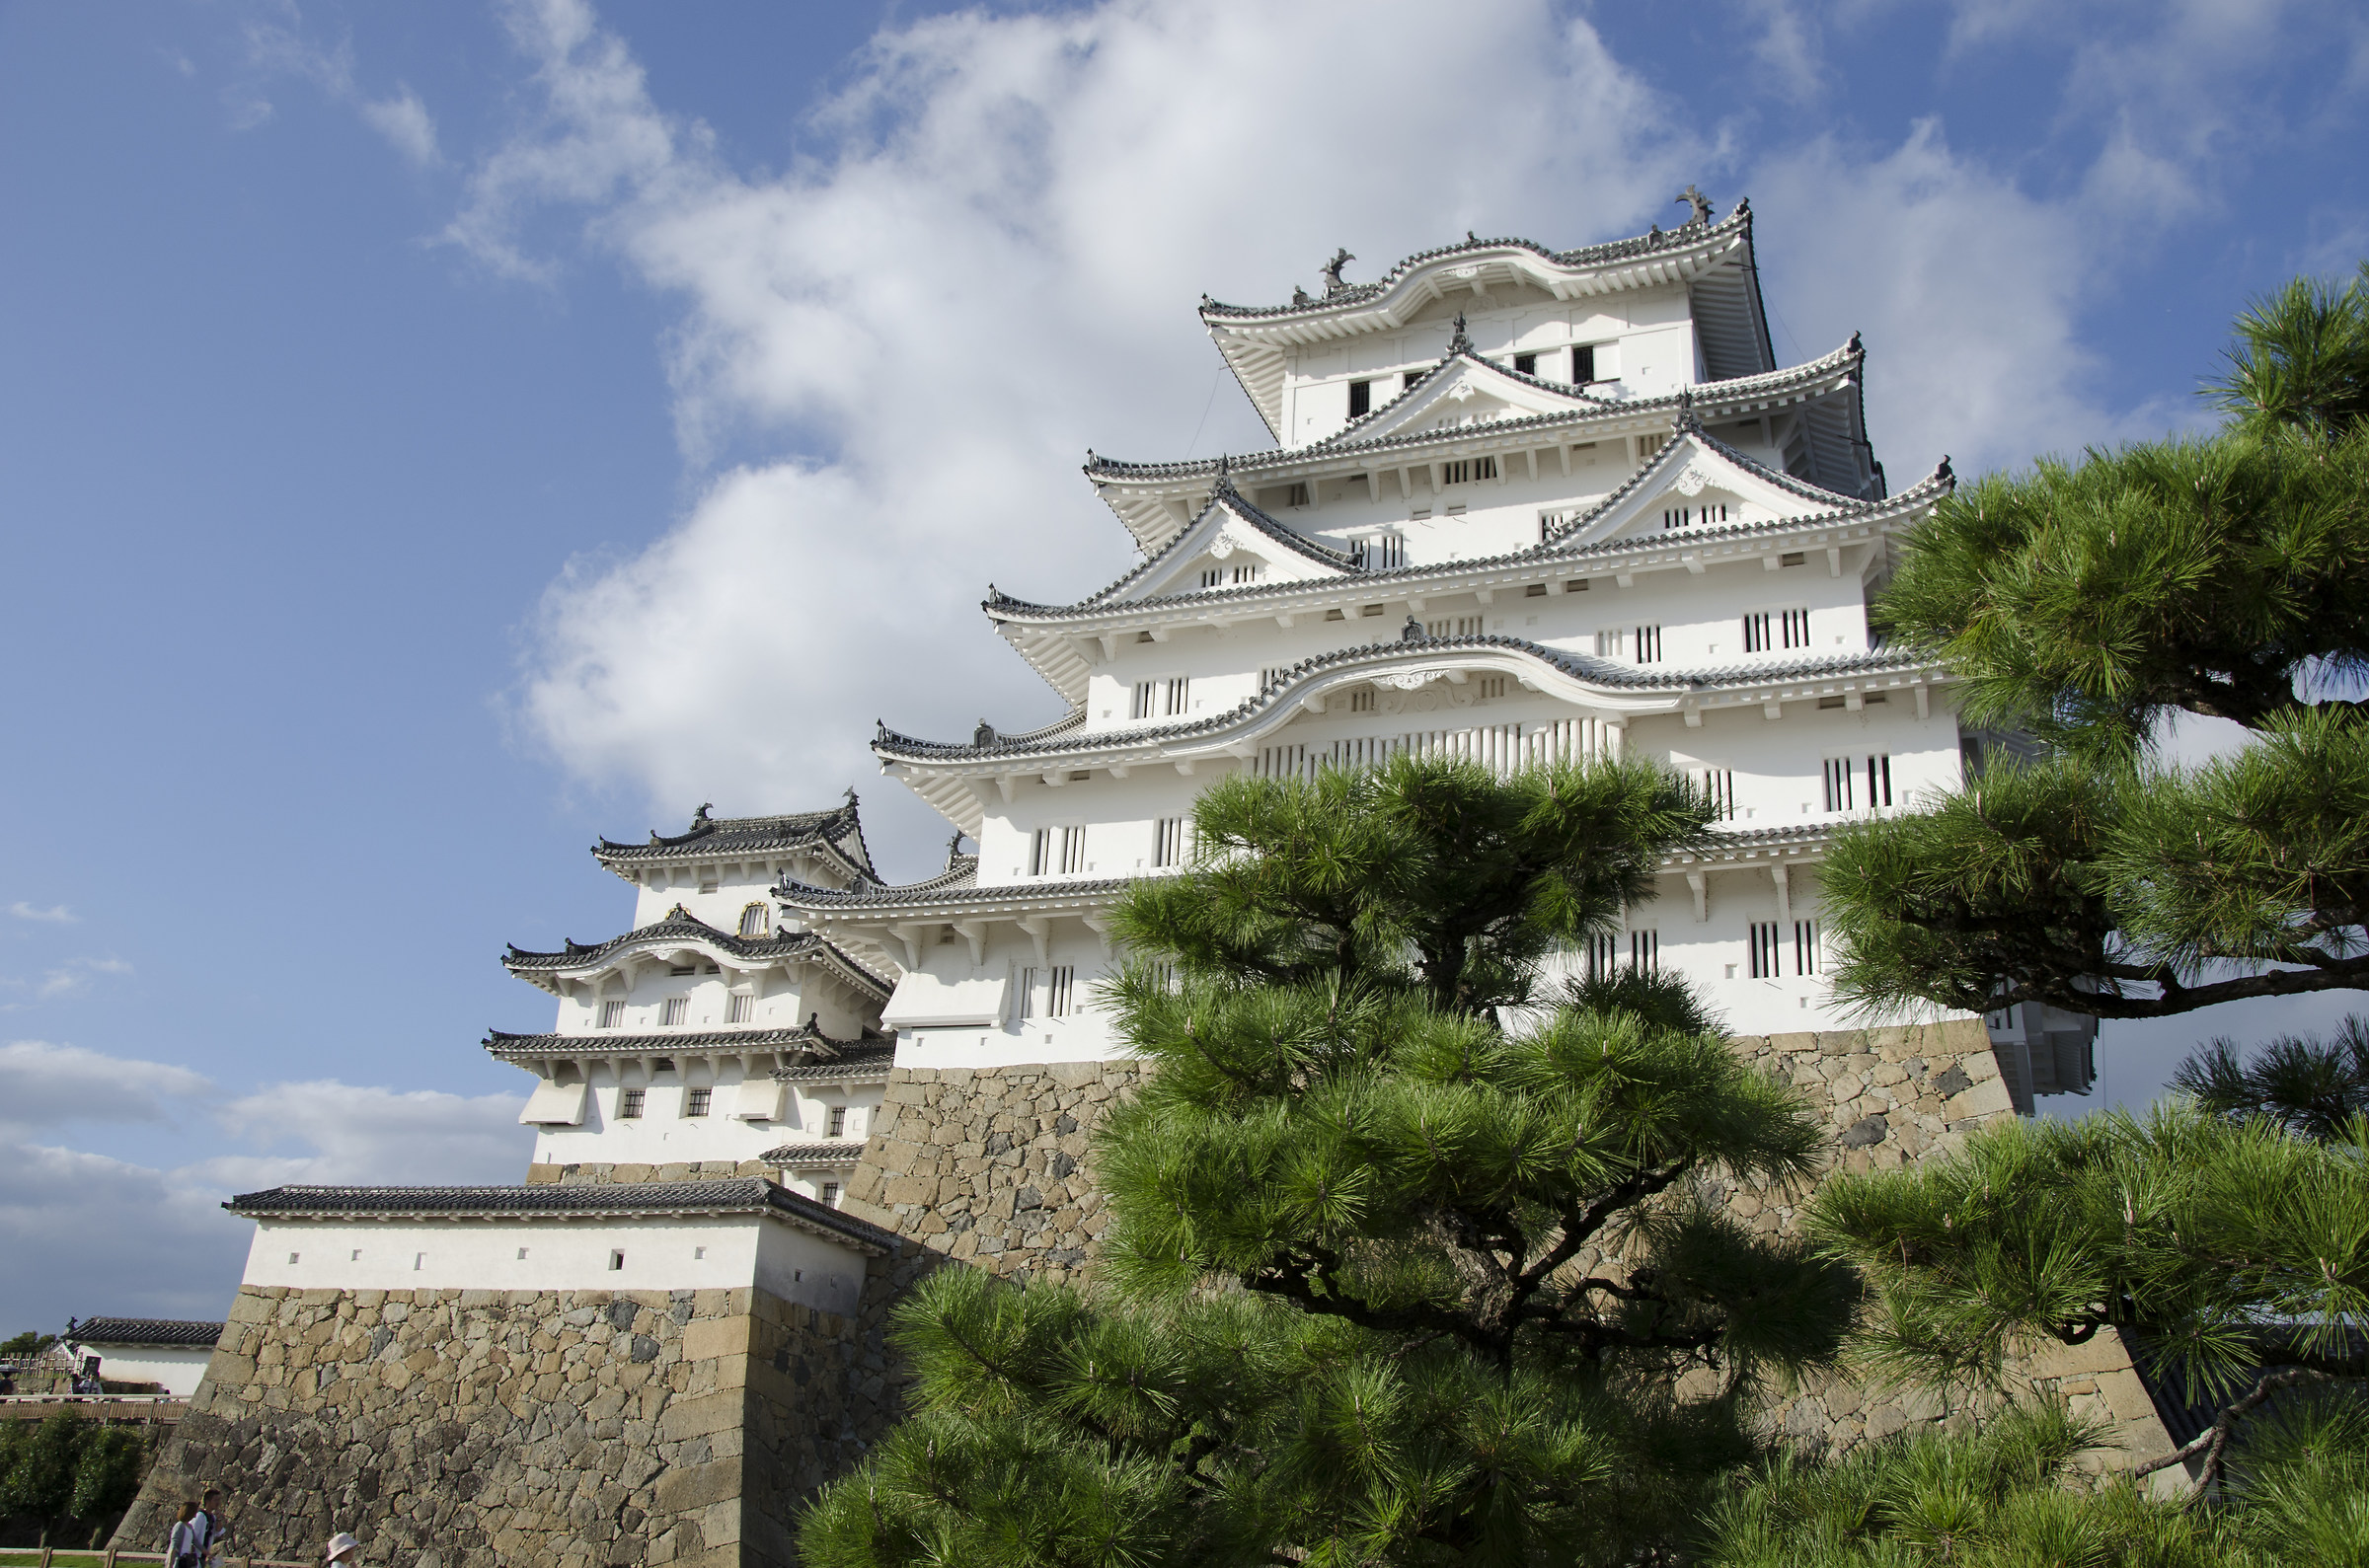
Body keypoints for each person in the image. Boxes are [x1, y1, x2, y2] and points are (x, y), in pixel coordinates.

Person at [195, 1488, 228, 1564]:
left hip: (204, 1555)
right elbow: (193, 1535)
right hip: (196, 1555)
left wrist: (219, 1518)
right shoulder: (200, 1516)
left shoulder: (213, 1517)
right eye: (216, 1500)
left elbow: (219, 1531)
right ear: (208, 1501)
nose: (218, 1503)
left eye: (219, 1500)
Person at [168, 1502, 202, 1568]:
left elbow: (196, 1542)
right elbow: (173, 1546)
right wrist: (170, 1565)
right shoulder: (180, 1526)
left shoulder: (190, 1527)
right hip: (180, 1561)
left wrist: (207, 1552)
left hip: (187, 1560)